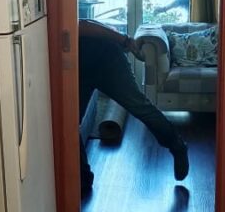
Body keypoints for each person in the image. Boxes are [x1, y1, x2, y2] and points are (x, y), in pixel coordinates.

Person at [78, 19, 189, 191]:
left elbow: (83, 24)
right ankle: (83, 180)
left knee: (139, 107)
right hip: (79, 67)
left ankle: (177, 145)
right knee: (70, 124)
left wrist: (126, 41)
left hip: (107, 60)